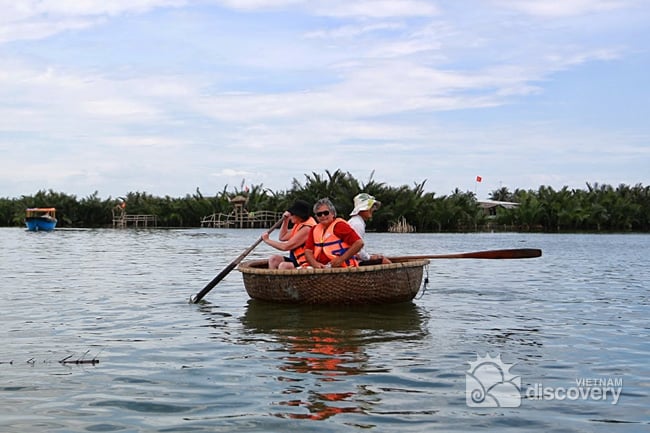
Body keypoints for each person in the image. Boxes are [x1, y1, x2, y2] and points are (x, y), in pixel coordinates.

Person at [303, 198, 364, 268]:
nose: (323, 216)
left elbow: (359, 243)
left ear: (332, 213)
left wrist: (341, 259)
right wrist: (315, 264)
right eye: (319, 214)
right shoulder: (314, 229)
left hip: (341, 266)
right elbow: (308, 251)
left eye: (326, 213)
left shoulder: (340, 226)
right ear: (316, 217)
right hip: (320, 266)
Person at [262, 200, 316, 269]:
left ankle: (282, 279)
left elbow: (285, 247)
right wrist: (286, 220)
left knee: (283, 266)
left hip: (306, 263)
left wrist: (267, 240)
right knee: (274, 259)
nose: (290, 216)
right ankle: (273, 280)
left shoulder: (307, 229)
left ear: (299, 215)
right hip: (296, 260)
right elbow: (282, 237)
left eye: (292, 214)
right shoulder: (299, 225)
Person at [348, 193, 391, 265]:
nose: (372, 209)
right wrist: (369, 257)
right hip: (351, 261)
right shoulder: (357, 224)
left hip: (352, 258)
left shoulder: (356, 221)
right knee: (384, 261)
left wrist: (369, 256)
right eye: (370, 207)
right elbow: (356, 249)